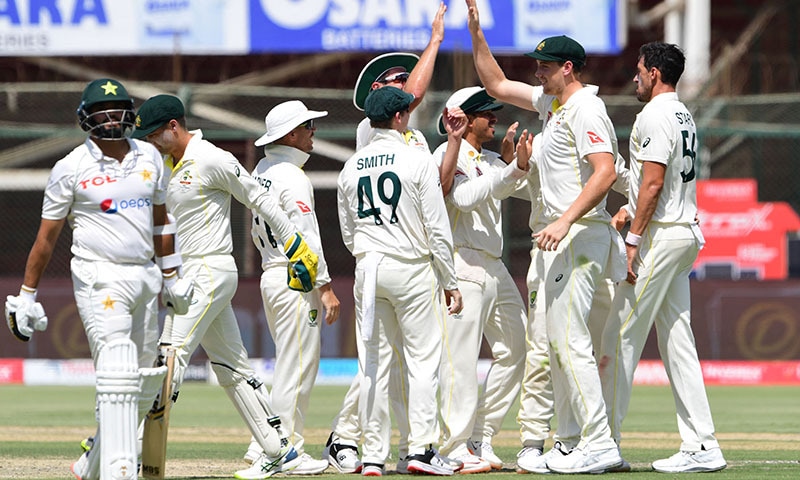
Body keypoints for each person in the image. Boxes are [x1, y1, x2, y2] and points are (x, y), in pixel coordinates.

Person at [465, 0, 626, 474]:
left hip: (576, 237)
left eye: (546, 67)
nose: (538, 73)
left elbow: (605, 173)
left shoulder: (586, 108)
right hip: (563, 240)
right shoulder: (553, 106)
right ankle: (575, 441)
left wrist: (564, 220)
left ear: (568, 68)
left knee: (570, 340)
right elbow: (494, 83)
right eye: (537, 65)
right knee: (561, 343)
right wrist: (477, 32)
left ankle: (599, 442)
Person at [4, 78, 193, 480]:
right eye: (102, 112)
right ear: (85, 119)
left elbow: (162, 222)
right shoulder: (70, 167)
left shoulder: (149, 157)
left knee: (143, 383)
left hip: (145, 276)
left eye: (118, 110)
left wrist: (173, 274)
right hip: (98, 275)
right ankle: (118, 469)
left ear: (130, 114)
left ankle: (90, 465)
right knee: (118, 369)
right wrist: (26, 294)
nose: (111, 118)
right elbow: (47, 237)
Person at [131, 94, 323, 480]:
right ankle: (279, 450)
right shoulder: (165, 165)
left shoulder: (212, 157)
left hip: (210, 270)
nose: (150, 144)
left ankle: (128, 449)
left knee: (171, 358)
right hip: (186, 277)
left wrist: (294, 244)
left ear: (174, 126)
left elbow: (259, 198)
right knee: (233, 368)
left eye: (154, 136)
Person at [325, 3, 447, 474]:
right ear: (381, 98)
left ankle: (366, 446)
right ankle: (351, 437)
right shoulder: (370, 127)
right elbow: (413, 94)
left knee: (384, 363)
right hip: (402, 257)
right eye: (396, 84)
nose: (406, 89)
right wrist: (434, 41)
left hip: (378, 260)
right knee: (396, 363)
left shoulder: (410, 138)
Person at [598, 41, 727, 474]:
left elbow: (653, 184)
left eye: (638, 70)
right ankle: (703, 446)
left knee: (619, 336)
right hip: (683, 231)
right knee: (677, 343)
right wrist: (629, 201)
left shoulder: (654, 114)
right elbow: (650, 182)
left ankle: (603, 442)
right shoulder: (681, 112)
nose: (634, 76)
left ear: (654, 73)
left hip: (662, 235)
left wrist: (633, 238)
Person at [337, 86, 463, 476]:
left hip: (368, 267)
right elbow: (437, 227)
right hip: (410, 267)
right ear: (399, 118)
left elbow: (346, 231)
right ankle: (421, 451)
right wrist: (450, 279)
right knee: (423, 362)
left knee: (372, 364)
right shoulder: (416, 158)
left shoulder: (350, 166)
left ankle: (373, 456)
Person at [239, 100, 341, 474]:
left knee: (288, 364)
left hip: (272, 272)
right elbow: (307, 237)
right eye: (308, 126)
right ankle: (286, 448)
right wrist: (325, 286)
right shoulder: (293, 177)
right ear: (291, 135)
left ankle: (262, 443)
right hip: (294, 272)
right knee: (298, 367)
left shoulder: (262, 168)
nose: (314, 131)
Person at [433, 87, 528, 473]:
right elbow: (463, 198)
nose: (494, 119)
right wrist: (510, 169)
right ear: (466, 120)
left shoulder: (490, 159)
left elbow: (518, 185)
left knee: (518, 347)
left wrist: (515, 164)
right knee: (459, 360)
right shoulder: (445, 154)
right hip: (461, 262)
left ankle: (481, 437)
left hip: (493, 264)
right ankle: (454, 446)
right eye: (487, 114)